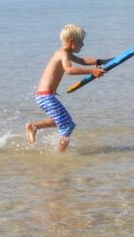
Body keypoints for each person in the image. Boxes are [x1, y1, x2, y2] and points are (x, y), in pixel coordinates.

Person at [26, 24, 109, 152]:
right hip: (45, 96)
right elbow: (69, 70)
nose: (83, 45)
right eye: (81, 42)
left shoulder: (65, 53)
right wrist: (92, 71)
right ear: (71, 41)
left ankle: (33, 127)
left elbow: (82, 61)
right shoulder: (63, 54)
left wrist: (99, 61)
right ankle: (59, 156)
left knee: (60, 120)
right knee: (68, 125)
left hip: (43, 95)